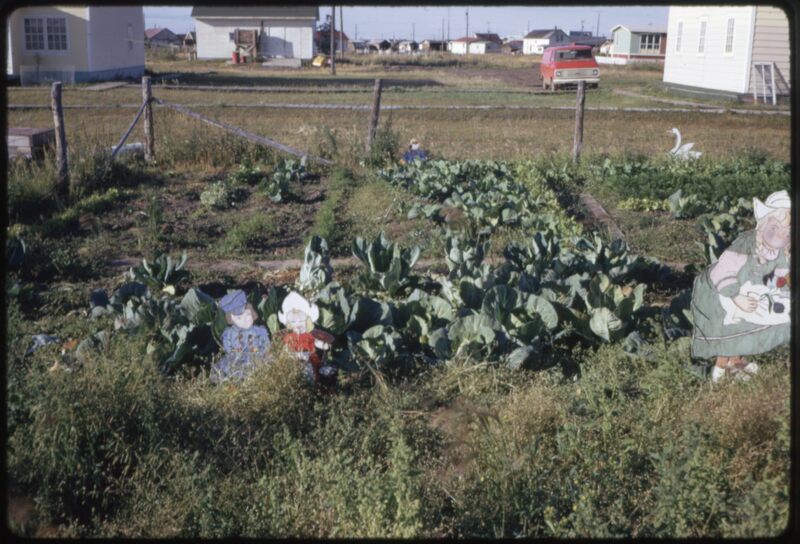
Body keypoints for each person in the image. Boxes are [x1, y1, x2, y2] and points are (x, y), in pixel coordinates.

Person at [691, 190, 791, 383]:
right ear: (764, 222)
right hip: (723, 292)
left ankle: (736, 362)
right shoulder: (746, 243)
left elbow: (778, 276)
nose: (781, 234)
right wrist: (736, 297)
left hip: (753, 293)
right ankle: (720, 372)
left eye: (787, 231)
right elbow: (721, 271)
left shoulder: (781, 251)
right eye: (775, 227)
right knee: (732, 329)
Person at [276, 291, 337, 388]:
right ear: (289, 324)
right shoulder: (289, 337)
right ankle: (295, 386)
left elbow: (316, 342)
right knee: (293, 371)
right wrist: (287, 354)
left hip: (309, 357)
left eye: (301, 321)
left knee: (309, 369)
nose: (298, 324)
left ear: (307, 321)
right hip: (294, 357)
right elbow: (286, 347)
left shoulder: (309, 335)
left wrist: (323, 345)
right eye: (293, 321)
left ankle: (310, 386)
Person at [210, 290, 271, 384]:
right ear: (231, 319)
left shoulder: (259, 330)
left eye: (247, 314)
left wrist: (260, 352)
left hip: (258, 357)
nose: (245, 319)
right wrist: (237, 353)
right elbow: (228, 349)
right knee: (225, 372)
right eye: (239, 318)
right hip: (237, 360)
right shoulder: (229, 333)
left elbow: (266, 345)